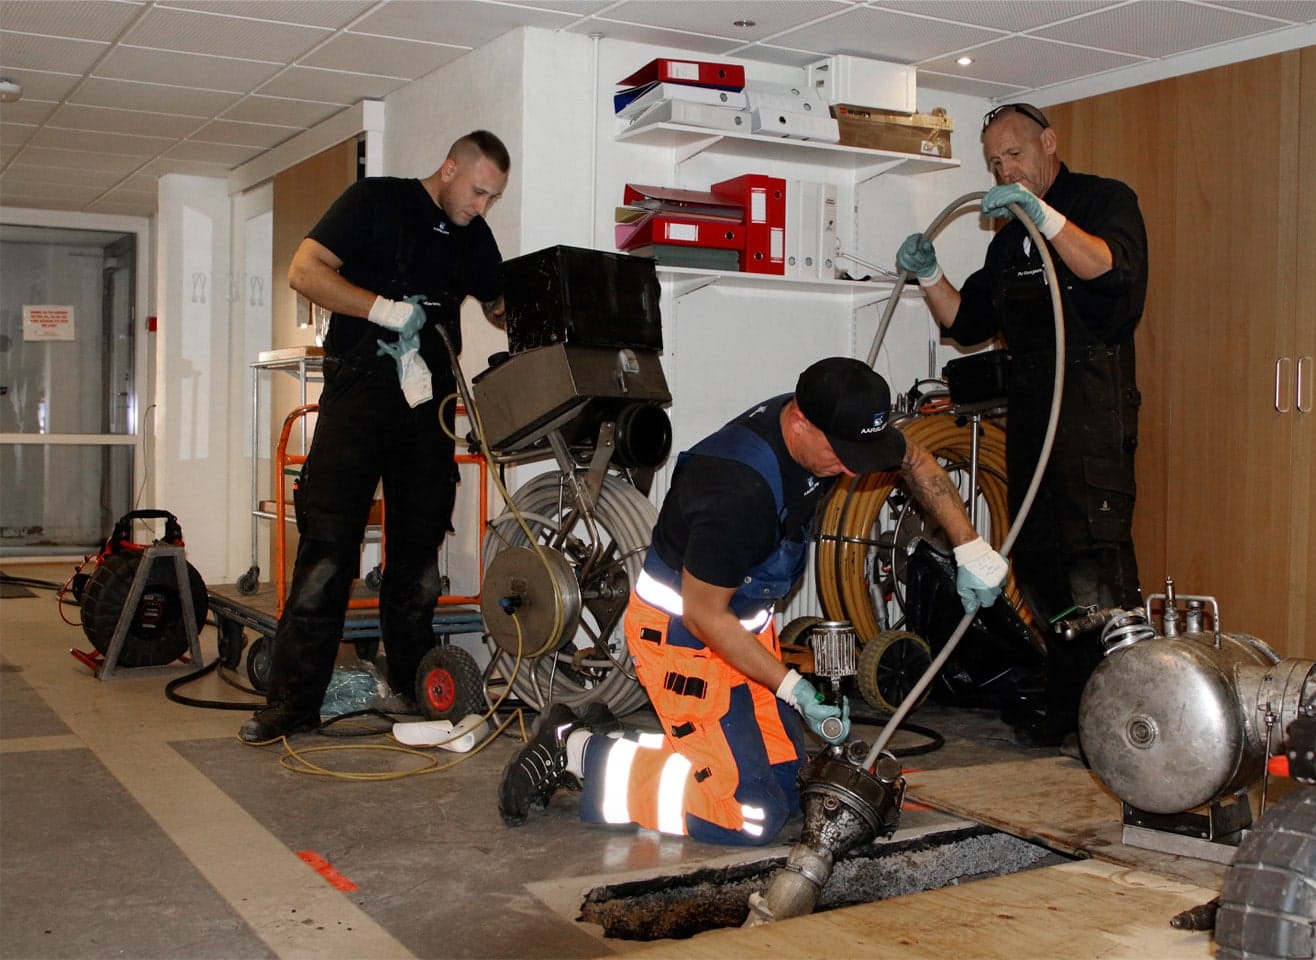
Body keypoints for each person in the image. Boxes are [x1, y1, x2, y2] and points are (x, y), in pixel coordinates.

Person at [497, 356, 1008, 843]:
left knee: (788, 790)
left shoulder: (832, 424)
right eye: (841, 455)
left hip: (745, 634)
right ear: (800, 421)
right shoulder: (736, 490)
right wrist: (794, 688)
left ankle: (625, 742)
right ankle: (579, 751)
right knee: (750, 816)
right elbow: (703, 615)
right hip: (685, 643)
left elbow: (914, 457)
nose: (852, 472)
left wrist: (969, 546)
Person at [240, 131, 510, 743]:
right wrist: (381, 308)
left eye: (493, 198)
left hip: (427, 405)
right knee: (326, 553)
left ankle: (415, 689)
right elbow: (304, 271)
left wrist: (529, 304)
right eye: (477, 192)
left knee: (417, 559)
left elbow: (498, 303)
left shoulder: (473, 235)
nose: (482, 207)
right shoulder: (376, 202)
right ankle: (291, 704)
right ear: (449, 168)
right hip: (359, 395)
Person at [894, 102, 1147, 745]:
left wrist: (1045, 216)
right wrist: (929, 275)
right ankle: (1069, 712)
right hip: (1032, 412)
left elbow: (1109, 268)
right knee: (1038, 564)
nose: (1005, 169)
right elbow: (965, 323)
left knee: (1095, 567)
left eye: (1014, 154)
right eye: (994, 162)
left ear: (1049, 143)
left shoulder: (1103, 201)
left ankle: (1125, 721)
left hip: (1090, 407)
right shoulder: (1008, 241)